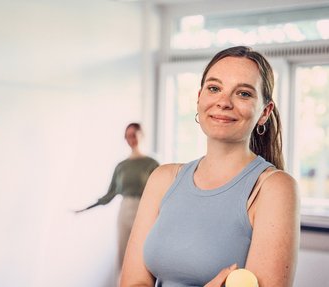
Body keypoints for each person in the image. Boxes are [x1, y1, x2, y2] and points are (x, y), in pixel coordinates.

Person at [120, 46, 300, 287]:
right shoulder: (162, 179)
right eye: (214, 88)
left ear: (264, 113)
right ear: (199, 98)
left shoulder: (274, 188)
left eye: (244, 93)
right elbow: (131, 283)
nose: (223, 102)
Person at [76, 122, 159, 272]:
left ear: (142, 135)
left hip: (146, 212)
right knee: (124, 254)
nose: (131, 139)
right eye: (127, 136)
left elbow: (161, 192)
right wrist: (86, 208)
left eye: (133, 135)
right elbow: (110, 194)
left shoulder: (151, 164)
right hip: (124, 212)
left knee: (145, 254)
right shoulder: (121, 166)